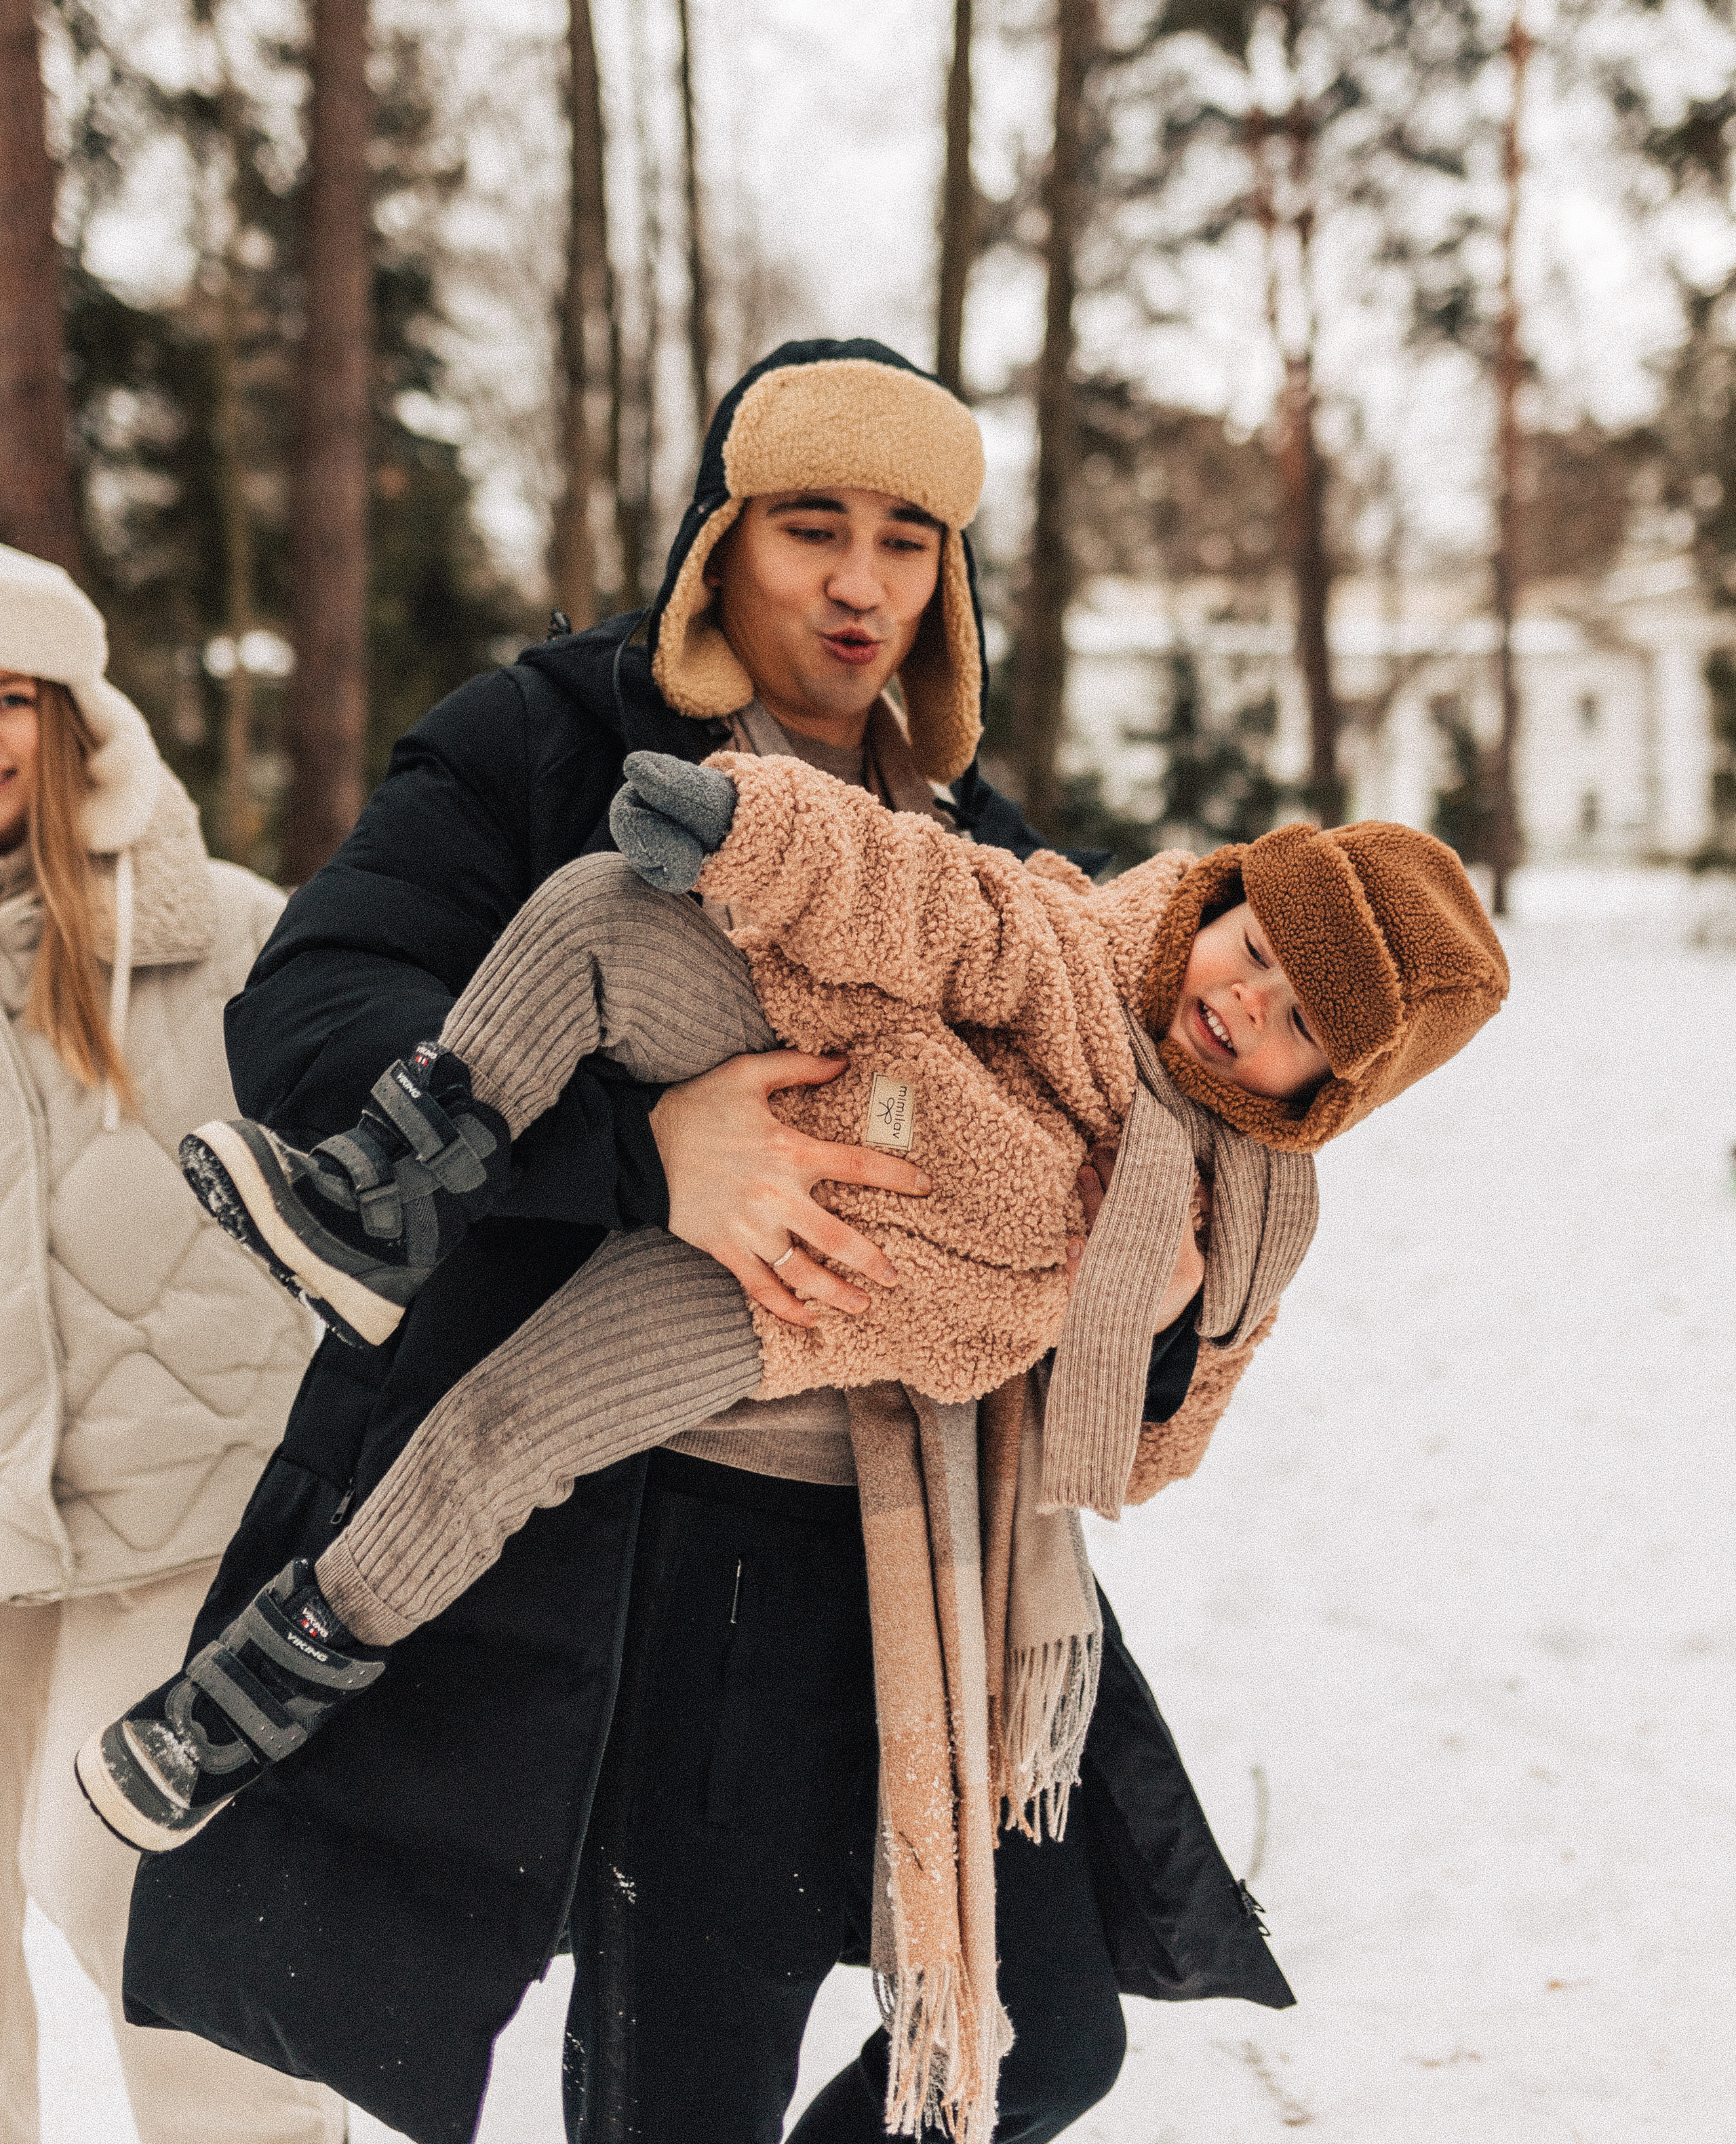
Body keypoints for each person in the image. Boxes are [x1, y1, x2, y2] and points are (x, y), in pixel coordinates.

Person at [122, 340, 1305, 2144]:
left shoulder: (977, 843)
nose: (857, 584)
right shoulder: (550, 744)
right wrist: (639, 1153)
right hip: (652, 1552)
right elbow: (316, 1008)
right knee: (690, 2099)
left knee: (1039, 2041)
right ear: (716, 539)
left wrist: (1168, 1285)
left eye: (908, 542)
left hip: (929, 1565)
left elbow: (1097, 1191)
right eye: (811, 526)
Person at [84, 758, 1504, 2138]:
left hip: (801, 1314)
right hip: (784, 1072)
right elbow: (912, 891)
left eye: (1297, 1021)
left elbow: (1139, 1461)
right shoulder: (1064, 936)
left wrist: (1159, 1330)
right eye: (1250, 946)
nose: (1241, 1000)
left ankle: (297, 1642)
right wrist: (741, 825)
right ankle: (386, 1209)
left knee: (511, 1429)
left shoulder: (1253, 1219)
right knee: (590, 924)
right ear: (1217, 898)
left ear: (1330, 1090)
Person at [0, 547, 342, 2144]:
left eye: (12, 698)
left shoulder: (225, 936)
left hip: (180, 1497)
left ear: (76, 719)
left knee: (131, 1887)